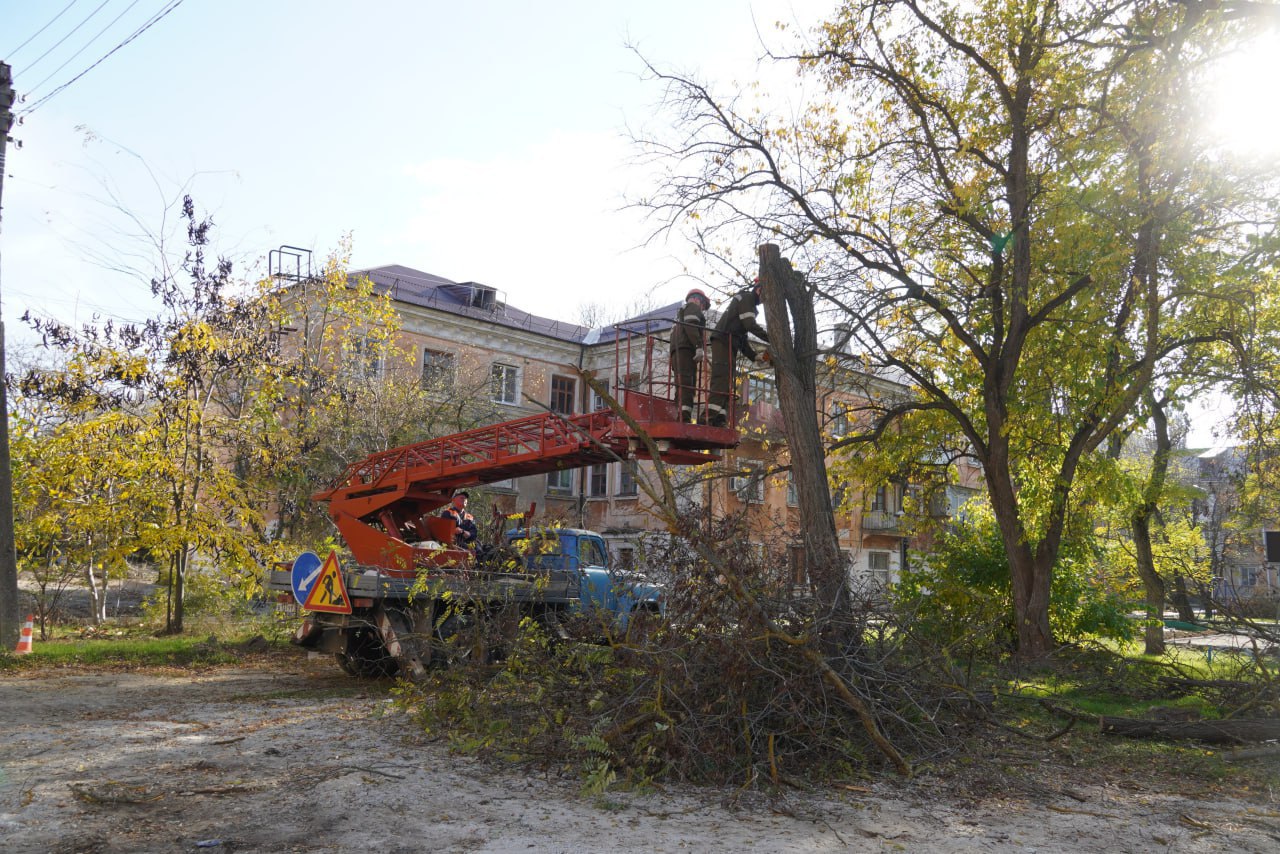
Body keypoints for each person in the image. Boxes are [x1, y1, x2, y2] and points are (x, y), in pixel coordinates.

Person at [707, 280, 770, 427]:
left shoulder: (747, 304)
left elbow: (742, 337)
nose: (764, 301)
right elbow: (750, 325)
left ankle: (720, 418)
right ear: (759, 290)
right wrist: (771, 339)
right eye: (765, 296)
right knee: (722, 378)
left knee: (728, 381)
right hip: (724, 340)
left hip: (730, 343)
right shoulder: (747, 298)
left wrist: (754, 356)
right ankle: (708, 418)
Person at [669, 288, 711, 422]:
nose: (702, 308)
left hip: (677, 351)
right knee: (687, 384)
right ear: (697, 299)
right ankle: (684, 417)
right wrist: (699, 346)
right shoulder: (692, 307)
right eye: (703, 305)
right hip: (686, 350)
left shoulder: (680, 313)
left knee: (681, 384)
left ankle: (679, 414)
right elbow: (691, 326)